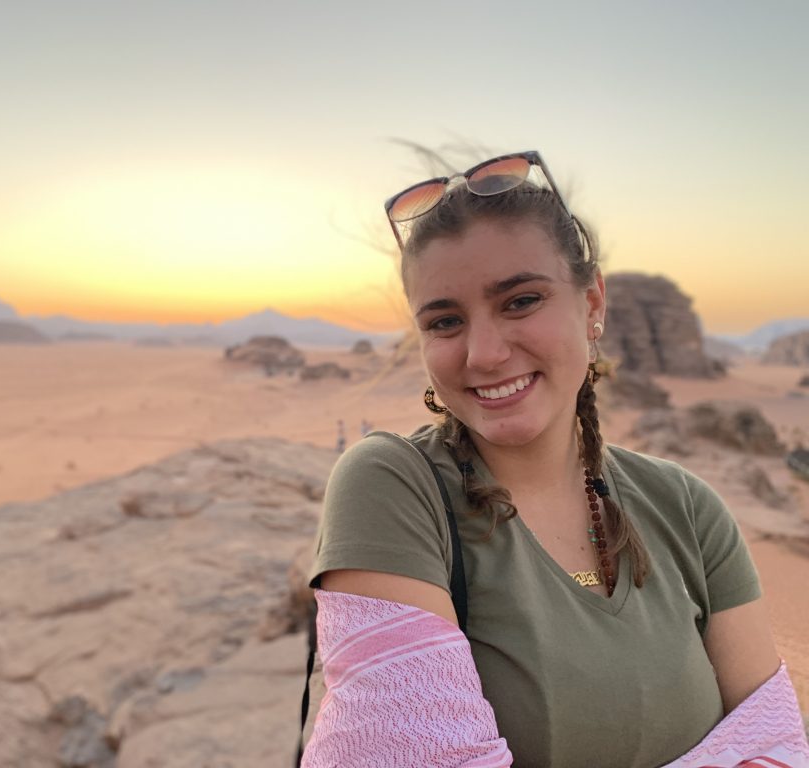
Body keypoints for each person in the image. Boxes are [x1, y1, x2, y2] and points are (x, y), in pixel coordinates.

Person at [301, 151, 808, 767]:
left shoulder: (688, 508)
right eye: (445, 321)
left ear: (592, 303)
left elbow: (776, 747)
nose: (484, 353)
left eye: (519, 301)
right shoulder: (393, 487)